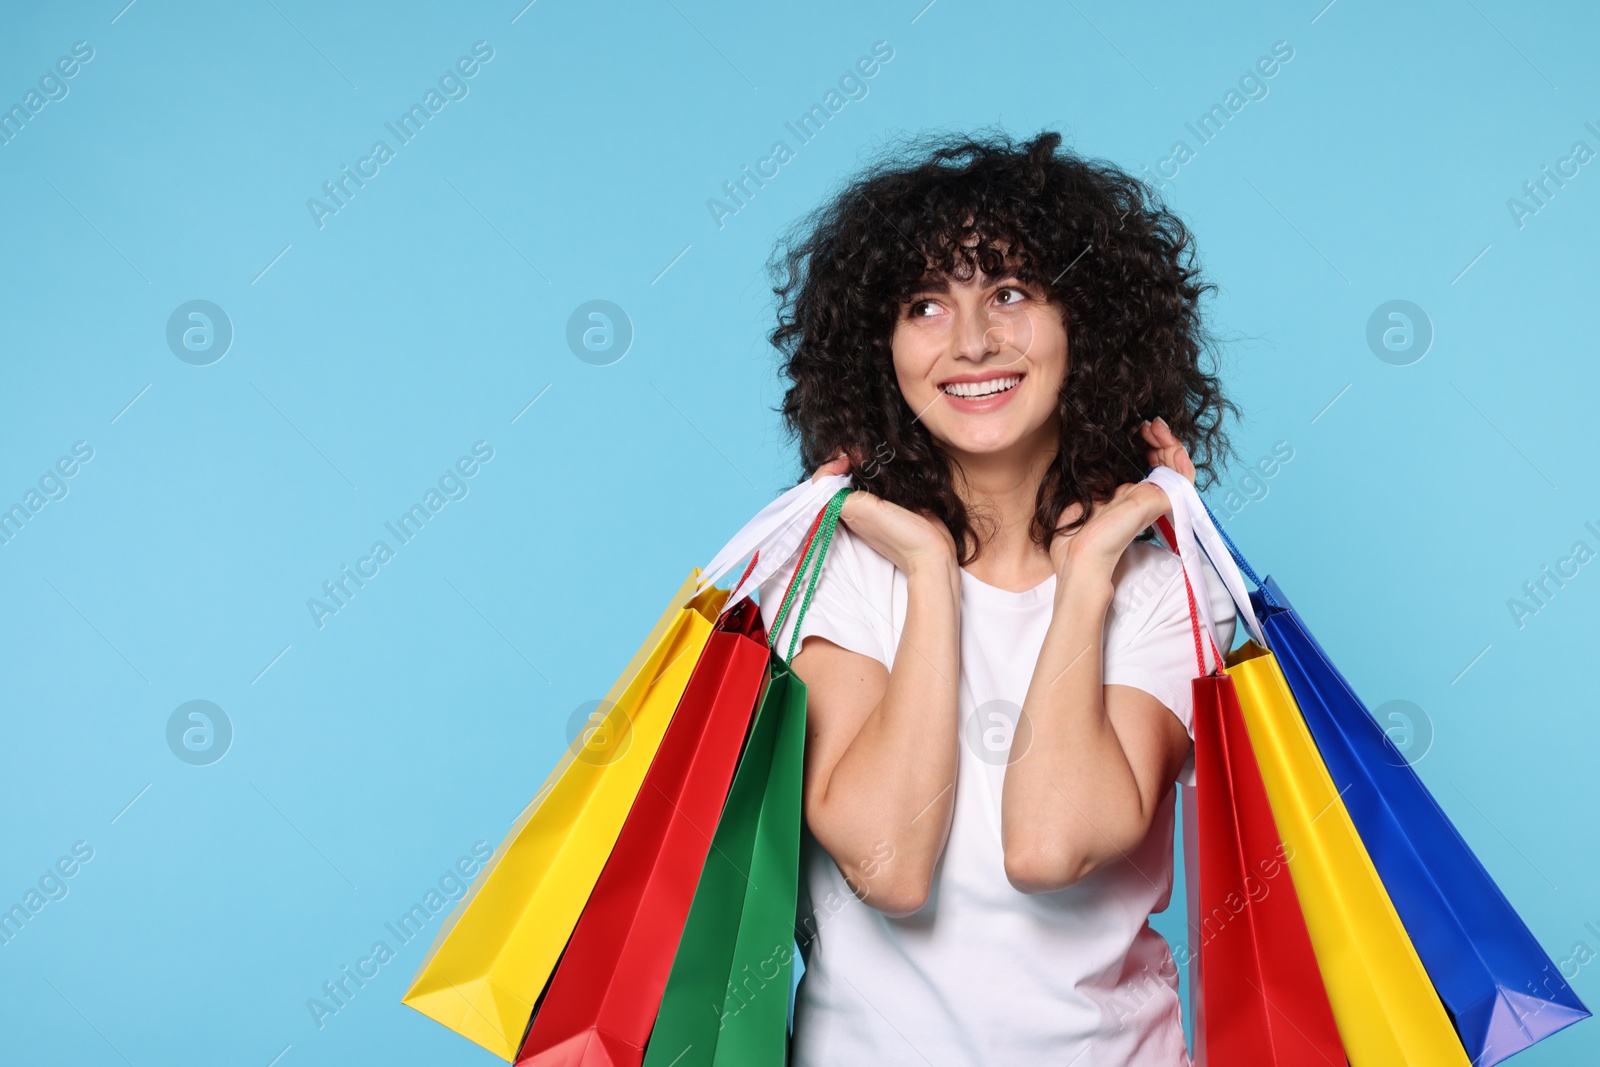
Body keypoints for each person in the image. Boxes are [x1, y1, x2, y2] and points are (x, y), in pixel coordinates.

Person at [755, 129, 1242, 1065]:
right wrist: (931, 575)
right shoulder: (830, 574)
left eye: (1010, 293)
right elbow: (888, 865)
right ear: (881, 347)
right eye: (926, 305)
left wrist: (1090, 571)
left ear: (1084, 329)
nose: (972, 341)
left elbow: (1049, 847)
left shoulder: (1161, 588)